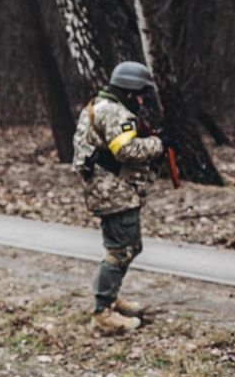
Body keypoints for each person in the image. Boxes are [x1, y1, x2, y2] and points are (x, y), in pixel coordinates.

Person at [71, 61, 167, 333]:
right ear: (128, 91)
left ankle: (111, 299)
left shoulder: (99, 105)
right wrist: (159, 145)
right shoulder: (116, 112)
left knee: (129, 246)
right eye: (140, 94)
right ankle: (102, 312)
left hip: (108, 190)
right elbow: (126, 151)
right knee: (120, 250)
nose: (141, 100)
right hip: (114, 192)